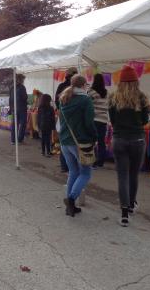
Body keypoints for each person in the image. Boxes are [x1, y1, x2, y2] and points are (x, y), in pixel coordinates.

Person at [108, 65, 150, 227]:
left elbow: (112, 120)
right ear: (136, 81)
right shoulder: (142, 98)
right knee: (133, 175)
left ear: (120, 82)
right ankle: (131, 205)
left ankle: (124, 214)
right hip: (137, 140)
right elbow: (145, 120)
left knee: (122, 177)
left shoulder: (113, 98)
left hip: (119, 140)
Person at [59, 74, 97, 217]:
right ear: (83, 85)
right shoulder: (85, 100)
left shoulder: (64, 98)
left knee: (73, 171)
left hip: (65, 142)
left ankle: (71, 207)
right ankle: (71, 199)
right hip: (80, 142)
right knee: (85, 173)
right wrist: (94, 137)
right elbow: (89, 122)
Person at [55, 67, 78, 172]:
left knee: (63, 140)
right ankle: (73, 167)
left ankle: (64, 166)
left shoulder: (61, 86)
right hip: (74, 117)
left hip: (62, 115)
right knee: (74, 141)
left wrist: (60, 109)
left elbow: (56, 101)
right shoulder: (75, 87)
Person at [88, 73, 109, 168]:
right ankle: (101, 162)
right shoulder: (106, 92)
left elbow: (87, 105)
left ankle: (93, 161)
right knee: (101, 141)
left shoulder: (91, 92)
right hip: (104, 120)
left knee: (92, 141)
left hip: (94, 119)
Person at [8, 73, 28, 145]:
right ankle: (19, 139)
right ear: (20, 79)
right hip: (21, 108)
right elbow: (25, 98)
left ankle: (13, 140)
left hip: (14, 108)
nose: (23, 80)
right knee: (22, 124)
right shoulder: (22, 87)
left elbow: (10, 99)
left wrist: (10, 108)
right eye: (23, 79)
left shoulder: (12, 87)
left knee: (14, 124)